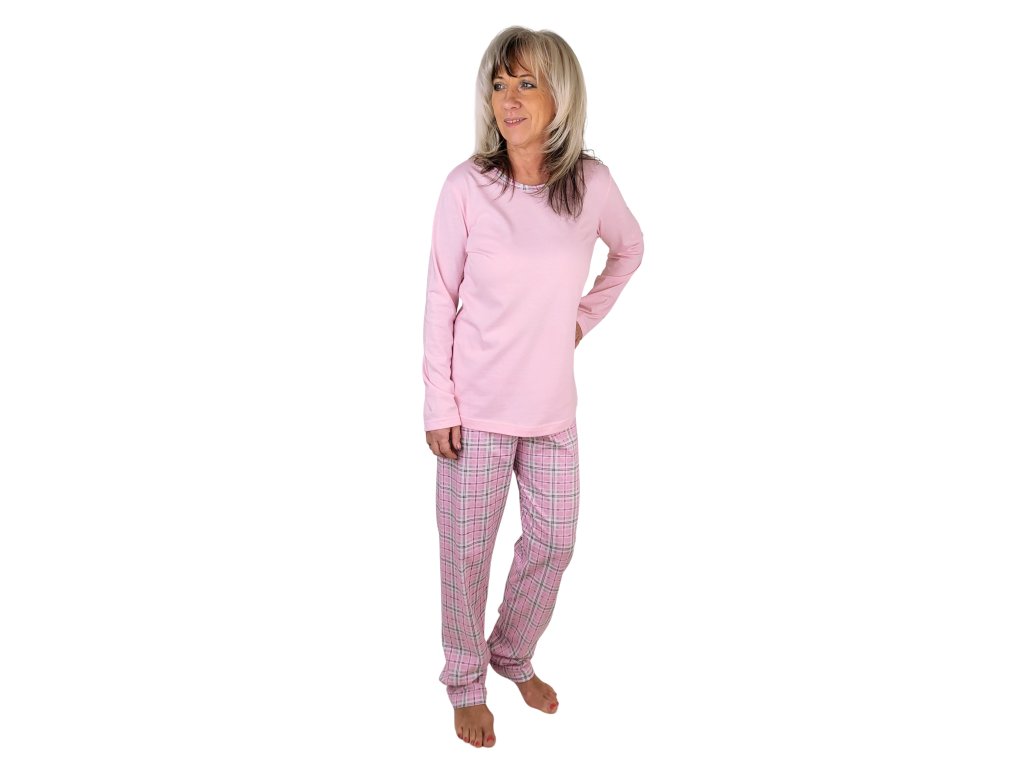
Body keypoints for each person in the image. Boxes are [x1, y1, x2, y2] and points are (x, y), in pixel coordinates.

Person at [422, 25, 644, 749]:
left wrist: (581, 319)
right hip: (475, 413)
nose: (509, 99)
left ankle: (511, 653)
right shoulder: (466, 186)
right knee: (466, 558)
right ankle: (466, 681)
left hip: (552, 414)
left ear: (561, 96)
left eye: (527, 83)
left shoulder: (591, 185)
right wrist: (438, 401)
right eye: (499, 84)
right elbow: (440, 296)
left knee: (554, 543)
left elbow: (631, 249)